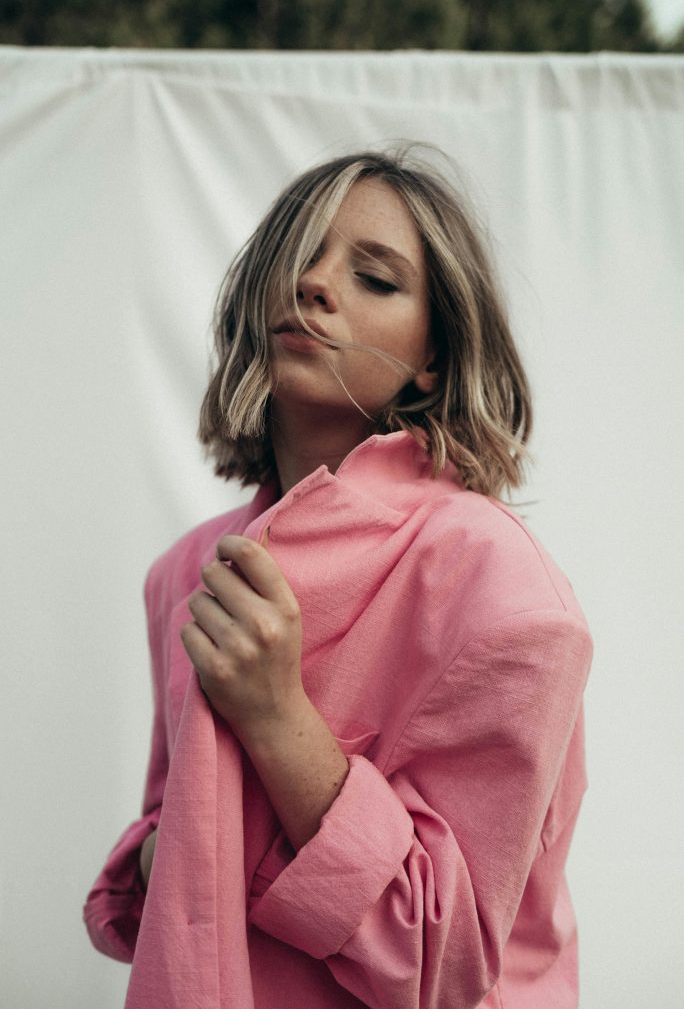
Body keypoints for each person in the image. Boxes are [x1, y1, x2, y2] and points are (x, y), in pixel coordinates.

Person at [83, 148, 593, 1009]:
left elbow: (445, 960)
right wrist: (165, 851)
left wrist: (278, 719)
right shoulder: (185, 574)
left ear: (432, 358)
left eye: (374, 279)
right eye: (302, 255)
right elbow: (168, 865)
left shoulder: (505, 592)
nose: (316, 285)